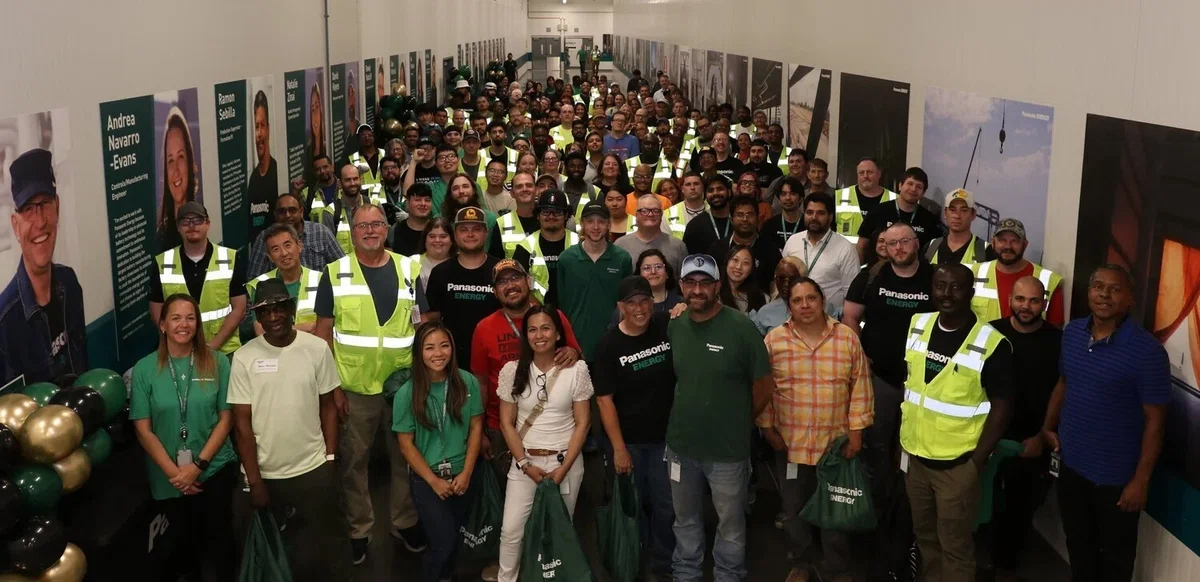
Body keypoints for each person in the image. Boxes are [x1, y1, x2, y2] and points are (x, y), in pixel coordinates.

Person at [313, 203, 426, 564]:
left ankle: (404, 522)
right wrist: (332, 390)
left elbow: (421, 327)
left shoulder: (409, 268)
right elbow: (322, 336)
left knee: (404, 459)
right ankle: (359, 529)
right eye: (363, 226)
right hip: (353, 390)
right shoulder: (335, 272)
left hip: (403, 388)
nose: (371, 231)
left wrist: (423, 382)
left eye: (377, 224)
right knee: (353, 463)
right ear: (353, 231)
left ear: (386, 228)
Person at [1041, 265, 1169, 582]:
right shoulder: (1071, 333)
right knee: (1079, 548)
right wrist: (1048, 425)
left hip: (1116, 479)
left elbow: (1156, 421)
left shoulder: (1148, 352)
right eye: (1098, 286)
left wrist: (1141, 480)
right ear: (1089, 293)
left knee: (1115, 560)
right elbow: (1064, 383)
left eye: (1114, 289)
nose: (1104, 295)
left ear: (1129, 299)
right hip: (1072, 467)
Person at [229, 278, 352, 582]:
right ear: (257, 318)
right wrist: (254, 480)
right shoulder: (244, 358)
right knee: (273, 554)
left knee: (325, 547)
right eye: (265, 312)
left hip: (312, 468)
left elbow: (328, 407)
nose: (273, 317)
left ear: (291, 310)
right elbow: (241, 425)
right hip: (265, 474)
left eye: (279, 308)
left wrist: (331, 459)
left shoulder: (316, 349)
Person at [901, 263, 1014, 582]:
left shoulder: (992, 343)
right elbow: (911, 383)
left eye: (955, 287)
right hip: (916, 460)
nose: (946, 294)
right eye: (940, 286)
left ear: (971, 292)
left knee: (955, 547)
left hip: (957, 466)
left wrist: (976, 462)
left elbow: (1003, 406)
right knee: (925, 539)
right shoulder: (918, 324)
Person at [667, 253, 774, 582]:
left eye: (704, 283)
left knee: (730, 524)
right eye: (690, 282)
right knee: (684, 520)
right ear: (681, 286)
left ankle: (729, 576)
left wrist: (738, 418)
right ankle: (686, 574)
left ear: (717, 286)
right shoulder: (675, 325)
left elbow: (763, 386)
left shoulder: (741, 328)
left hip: (727, 449)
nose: (697, 290)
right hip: (681, 446)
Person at [760, 276, 873, 582]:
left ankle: (837, 567)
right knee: (793, 509)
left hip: (834, 444)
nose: (805, 305)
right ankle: (800, 562)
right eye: (797, 300)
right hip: (790, 441)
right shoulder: (775, 340)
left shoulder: (846, 338)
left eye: (811, 298)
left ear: (823, 301)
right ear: (789, 306)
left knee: (835, 509)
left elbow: (860, 386)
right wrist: (767, 427)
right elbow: (764, 388)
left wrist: (856, 432)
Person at [130, 294, 237, 581]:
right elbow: (143, 429)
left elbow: (226, 419)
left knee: (220, 547)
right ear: (162, 325)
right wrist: (177, 475)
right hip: (169, 479)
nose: (184, 324)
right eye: (175, 318)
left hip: (213, 471)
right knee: (181, 553)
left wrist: (198, 467)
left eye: (190, 318)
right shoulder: (144, 369)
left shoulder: (217, 363)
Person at [840, 222, 934, 543]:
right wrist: (860, 355)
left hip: (924, 384)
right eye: (890, 243)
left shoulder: (935, 279)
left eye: (904, 242)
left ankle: (909, 513)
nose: (898, 249)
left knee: (914, 448)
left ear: (916, 243)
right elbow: (850, 316)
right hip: (878, 376)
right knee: (875, 446)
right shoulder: (870, 276)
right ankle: (876, 512)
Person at [495, 305, 593, 582]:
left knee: (559, 530)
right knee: (511, 531)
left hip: (566, 462)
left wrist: (562, 471)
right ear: (525, 335)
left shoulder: (577, 370)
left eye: (546, 328)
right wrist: (525, 465)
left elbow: (583, 423)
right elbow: (506, 423)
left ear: (559, 334)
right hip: (525, 463)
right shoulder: (512, 371)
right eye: (532, 329)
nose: (540, 335)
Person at [594, 276, 677, 578]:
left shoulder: (666, 324)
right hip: (629, 442)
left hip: (666, 440)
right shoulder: (608, 346)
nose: (639, 308)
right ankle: (634, 561)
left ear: (653, 302)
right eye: (631, 303)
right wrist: (618, 449)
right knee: (635, 507)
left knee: (667, 507)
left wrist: (679, 311)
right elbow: (604, 401)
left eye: (644, 301)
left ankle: (665, 564)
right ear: (620, 307)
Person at [394, 321, 484, 582]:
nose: (438, 353)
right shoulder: (407, 393)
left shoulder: (466, 381)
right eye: (429, 347)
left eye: (444, 345)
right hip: (427, 479)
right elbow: (405, 444)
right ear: (418, 353)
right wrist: (433, 481)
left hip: (462, 475)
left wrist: (467, 472)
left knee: (455, 538)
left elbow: (476, 426)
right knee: (442, 541)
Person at [986, 276, 1061, 580]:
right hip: (990, 439)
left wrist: (1044, 434)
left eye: (1033, 300)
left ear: (1043, 303)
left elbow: (1063, 389)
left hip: (1033, 442)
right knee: (987, 509)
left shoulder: (1057, 341)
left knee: (1021, 510)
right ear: (1009, 301)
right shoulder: (990, 333)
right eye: (1020, 299)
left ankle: (1006, 570)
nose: (1026, 307)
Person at [0, 149, 87, 385]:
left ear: (57, 207)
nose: (40, 221)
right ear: (15, 225)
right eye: (28, 209)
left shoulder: (69, 285)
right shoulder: (5, 323)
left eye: (45, 203)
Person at [149, 201, 247, 355]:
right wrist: (177, 341)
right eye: (185, 221)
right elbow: (157, 309)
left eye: (197, 220)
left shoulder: (230, 258)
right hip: (178, 351)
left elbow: (239, 308)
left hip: (223, 351)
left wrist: (214, 345)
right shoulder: (162, 262)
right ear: (178, 227)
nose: (192, 226)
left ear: (207, 224)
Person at [425, 207, 503, 367]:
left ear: (486, 233)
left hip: (495, 359)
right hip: (451, 361)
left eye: (476, 229)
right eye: (463, 230)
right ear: (455, 234)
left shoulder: (501, 271)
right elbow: (432, 320)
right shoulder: (440, 272)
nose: (470, 234)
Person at [557, 201, 634, 358]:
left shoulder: (622, 258)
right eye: (590, 221)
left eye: (601, 221)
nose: (596, 227)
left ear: (609, 225)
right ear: (582, 224)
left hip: (613, 344)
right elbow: (561, 306)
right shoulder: (566, 259)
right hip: (576, 347)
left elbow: (627, 304)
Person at [970, 218, 1064, 326]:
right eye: (1002, 240)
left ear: (1025, 244)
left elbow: (1054, 330)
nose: (1008, 246)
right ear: (993, 242)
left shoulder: (1049, 280)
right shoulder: (973, 274)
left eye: (1014, 241)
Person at [782, 192, 859, 317]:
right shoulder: (793, 241)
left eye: (820, 213)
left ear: (831, 217)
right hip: (793, 317)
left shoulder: (845, 248)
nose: (814, 217)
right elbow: (782, 278)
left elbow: (851, 294)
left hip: (829, 319)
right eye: (809, 212)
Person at [245, 223, 323, 335]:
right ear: (270, 256)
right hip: (276, 352)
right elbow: (262, 333)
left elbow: (325, 327)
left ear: (299, 246)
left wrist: (282, 330)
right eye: (276, 249)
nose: (284, 253)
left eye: (287, 245)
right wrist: (305, 328)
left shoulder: (321, 280)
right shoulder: (259, 285)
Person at [246, 192, 345, 279]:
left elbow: (342, 267)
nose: (287, 215)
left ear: (301, 212)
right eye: (282, 211)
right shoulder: (264, 238)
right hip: (281, 297)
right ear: (275, 215)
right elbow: (255, 278)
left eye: (292, 210)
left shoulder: (321, 232)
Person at [856, 167, 942, 259]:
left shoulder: (929, 220)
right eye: (910, 183)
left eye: (919, 187)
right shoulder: (878, 211)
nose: (913, 189)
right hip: (879, 270)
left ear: (923, 193)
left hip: (915, 271)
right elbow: (862, 246)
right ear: (900, 186)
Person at [513, 190, 578, 305]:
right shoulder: (525, 247)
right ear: (538, 215)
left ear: (566, 215)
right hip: (537, 314)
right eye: (546, 212)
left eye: (557, 212)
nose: (551, 216)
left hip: (574, 313)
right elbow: (518, 286)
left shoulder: (579, 243)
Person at [709, 195, 782, 292]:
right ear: (731, 219)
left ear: (758, 218)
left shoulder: (770, 250)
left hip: (760, 305)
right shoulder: (718, 248)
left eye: (750, 215)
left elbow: (775, 287)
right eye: (739, 215)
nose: (745, 219)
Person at [157, 107, 201, 252]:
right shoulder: (160, 238)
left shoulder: (202, 223)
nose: (175, 170)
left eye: (181, 157)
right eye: (170, 160)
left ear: (189, 162)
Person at [615, 193, 688, 275]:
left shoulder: (678, 246)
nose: (650, 214)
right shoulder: (621, 245)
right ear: (636, 215)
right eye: (644, 211)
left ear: (661, 215)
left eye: (655, 211)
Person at [833, 158, 896, 245]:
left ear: (879, 174)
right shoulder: (838, 196)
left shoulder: (895, 199)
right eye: (861, 173)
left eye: (869, 172)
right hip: (846, 257)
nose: (865, 176)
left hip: (881, 257)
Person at [440, 174, 505, 258]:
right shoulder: (441, 221)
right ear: (450, 194)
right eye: (455, 188)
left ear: (474, 190)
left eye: (465, 186)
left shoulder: (490, 218)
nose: (461, 191)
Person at [246, 91, 280, 242]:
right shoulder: (253, 179)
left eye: (262, 126)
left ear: (269, 129)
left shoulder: (277, 171)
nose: (259, 134)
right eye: (256, 127)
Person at [925, 188, 989, 265]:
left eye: (964, 210)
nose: (957, 216)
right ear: (945, 213)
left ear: (973, 214)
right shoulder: (930, 247)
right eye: (952, 210)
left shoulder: (986, 251)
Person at [749, 256, 808, 336]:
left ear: (804, 280)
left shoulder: (821, 308)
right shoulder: (765, 312)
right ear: (775, 279)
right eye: (781, 278)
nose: (786, 284)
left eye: (793, 279)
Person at [682, 175, 733, 256]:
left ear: (729, 192)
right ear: (705, 195)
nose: (715, 193)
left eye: (720, 189)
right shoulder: (695, 226)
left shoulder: (739, 221)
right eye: (710, 190)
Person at [717, 244, 768, 315]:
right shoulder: (714, 294)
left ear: (751, 270)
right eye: (735, 260)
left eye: (746, 263)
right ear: (727, 262)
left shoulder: (761, 298)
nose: (738, 267)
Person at [388, 183, 433, 256]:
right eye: (418, 200)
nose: (423, 204)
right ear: (407, 203)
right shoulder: (393, 232)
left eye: (427, 200)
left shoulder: (438, 231)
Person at [762, 175, 805, 252]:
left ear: (801, 198)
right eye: (783, 194)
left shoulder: (808, 225)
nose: (788, 198)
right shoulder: (769, 226)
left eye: (792, 193)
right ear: (778, 199)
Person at [414, 218, 455, 297]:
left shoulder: (460, 263)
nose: (437, 240)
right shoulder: (411, 262)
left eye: (443, 236)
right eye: (432, 236)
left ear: (452, 240)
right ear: (425, 239)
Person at [664, 172, 708, 241]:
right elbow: (664, 243)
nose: (692, 188)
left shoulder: (713, 209)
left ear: (703, 187)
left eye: (696, 184)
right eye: (688, 184)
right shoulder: (668, 213)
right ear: (682, 189)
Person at [298, 154, 340, 222]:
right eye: (318, 169)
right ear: (314, 172)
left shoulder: (345, 187)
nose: (322, 171)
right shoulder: (306, 194)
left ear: (332, 167)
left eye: (325, 167)